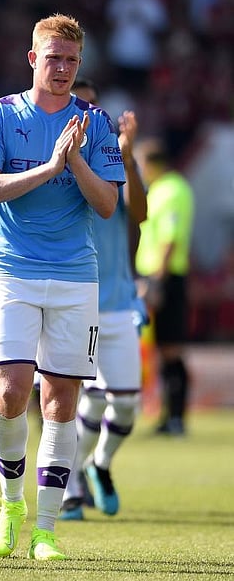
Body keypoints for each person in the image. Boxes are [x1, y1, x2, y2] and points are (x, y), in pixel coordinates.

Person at [0, 14, 124, 560]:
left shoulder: (95, 122)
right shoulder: (1, 116)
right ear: (32, 59)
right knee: (10, 391)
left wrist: (74, 159)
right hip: (13, 271)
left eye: (71, 60)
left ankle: (47, 530)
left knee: (61, 401)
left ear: (80, 64)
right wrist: (48, 167)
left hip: (75, 276)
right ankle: (11, 505)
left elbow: (106, 205)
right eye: (52, 58)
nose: (62, 69)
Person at [58, 79, 148, 521]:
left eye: (92, 107)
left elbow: (140, 216)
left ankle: (100, 464)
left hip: (118, 301)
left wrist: (129, 159)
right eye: (80, 106)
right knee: (84, 400)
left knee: (127, 402)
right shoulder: (56, 155)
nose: (86, 115)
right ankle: (71, 484)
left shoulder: (114, 154)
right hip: (80, 299)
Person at [134, 137, 194, 436]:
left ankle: (177, 418)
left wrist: (157, 281)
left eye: (142, 164)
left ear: (153, 164)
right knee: (161, 349)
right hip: (156, 277)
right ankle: (169, 417)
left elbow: (170, 239)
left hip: (166, 277)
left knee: (171, 349)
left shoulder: (172, 191)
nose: (140, 170)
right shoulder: (160, 189)